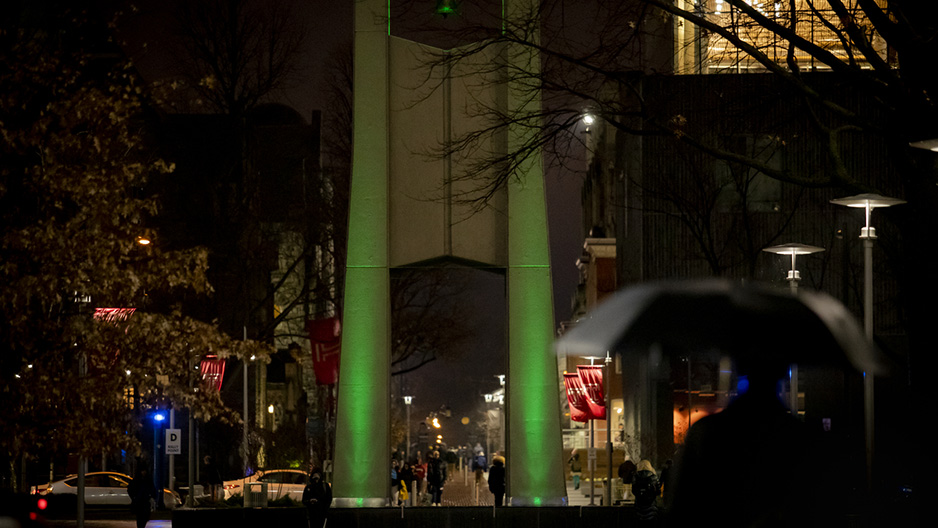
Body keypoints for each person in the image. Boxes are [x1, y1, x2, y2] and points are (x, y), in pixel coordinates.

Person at [666, 359, 826, 526]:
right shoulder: (802, 439)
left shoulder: (707, 434)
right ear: (783, 372)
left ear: (737, 369)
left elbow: (681, 511)